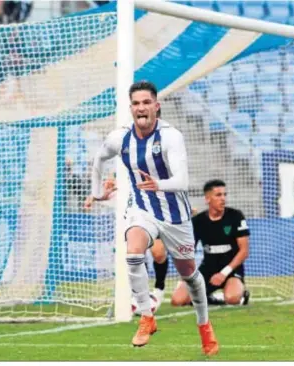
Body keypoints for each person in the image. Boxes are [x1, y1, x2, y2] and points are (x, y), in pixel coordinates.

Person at [84, 80, 218, 355]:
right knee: (133, 251)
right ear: (130, 108)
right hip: (141, 208)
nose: (141, 108)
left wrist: (159, 184)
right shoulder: (120, 138)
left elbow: (182, 180)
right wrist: (97, 193)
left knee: (190, 276)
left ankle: (205, 327)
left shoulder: (171, 136)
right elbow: (99, 159)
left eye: (146, 102)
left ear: (157, 106)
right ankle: (146, 317)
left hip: (175, 215)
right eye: (136, 103)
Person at [171, 180, 250, 307]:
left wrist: (223, 274)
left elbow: (244, 251)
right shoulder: (198, 221)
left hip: (231, 270)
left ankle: (242, 294)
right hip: (208, 268)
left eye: (225, 194)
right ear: (208, 198)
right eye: (218, 195)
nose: (223, 199)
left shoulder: (235, 216)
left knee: (232, 299)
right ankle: (209, 297)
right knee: (178, 300)